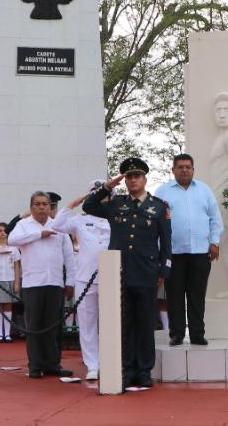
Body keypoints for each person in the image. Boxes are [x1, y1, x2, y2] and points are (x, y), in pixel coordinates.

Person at [84, 158, 172, 390]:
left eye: (137, 176)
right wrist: (108, 186)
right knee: (123, 324)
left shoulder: (159, 206)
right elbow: (88, 207)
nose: (133, 180)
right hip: (119, 273)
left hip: (146, 272)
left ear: (145, 179)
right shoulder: (116, 203)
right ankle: (125, 369)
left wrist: (164, 269)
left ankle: (144, 371)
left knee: (145, 323)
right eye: (129, 177)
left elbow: (167, 243)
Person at [154, 153, 222, 347]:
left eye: (188, 167)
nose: (184, 170)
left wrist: (215, 242)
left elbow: (215, 218)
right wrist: (159, 252)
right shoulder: (162, 191)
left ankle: (197, 334)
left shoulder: (204, 190)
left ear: (193, 169)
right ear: (173, 170)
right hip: (172, 253)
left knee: (197, 295)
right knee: (174, 295)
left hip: (200, 252)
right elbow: (155, 223)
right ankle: (176, 334)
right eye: (180, 167)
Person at [10, 191, 76, 378]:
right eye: (37, 204)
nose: (41, 207)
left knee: (53, 326)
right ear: (31, 207)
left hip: (55, 282)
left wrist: (70, 282)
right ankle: (36, 366)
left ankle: (53, 364)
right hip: (33, 283)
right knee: (34, 326)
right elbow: (12, 240)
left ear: (50, 207)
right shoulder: (23, 225)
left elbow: (69, 257)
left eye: (45, 204)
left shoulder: (59, 227)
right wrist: (40, 234)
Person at [52, 184, 113, 380]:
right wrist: (73, 203)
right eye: (96, 194)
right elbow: (57, 225)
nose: (103, 198)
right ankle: (92, 364)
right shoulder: (79, 220)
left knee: (111, 322)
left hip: (111, 278)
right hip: (85, 278)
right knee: (87, 324)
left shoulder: (115, 218)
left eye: (106, 194)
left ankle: (110, 361)